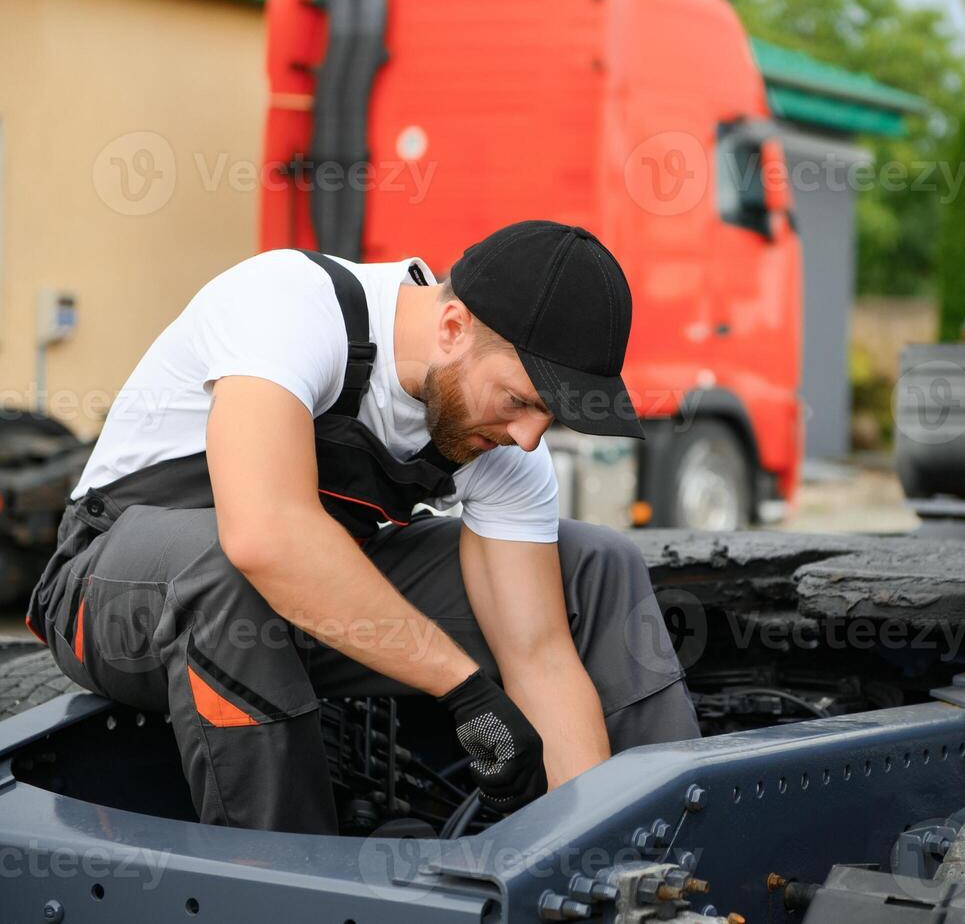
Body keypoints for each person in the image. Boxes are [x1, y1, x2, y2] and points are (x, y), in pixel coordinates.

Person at [24, 220, 699, 834]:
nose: (528, 438)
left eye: (547, 416)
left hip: (298, 618)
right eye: (520, 401)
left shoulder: (502, 440)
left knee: (592, 562)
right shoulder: (289, 304)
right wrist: (461, 687)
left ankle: (665, 844)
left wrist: (580, 843)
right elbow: (266, 536)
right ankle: (291, 890)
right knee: (228, 568)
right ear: (454, 326)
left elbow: (541, 658)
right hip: (113, 601)